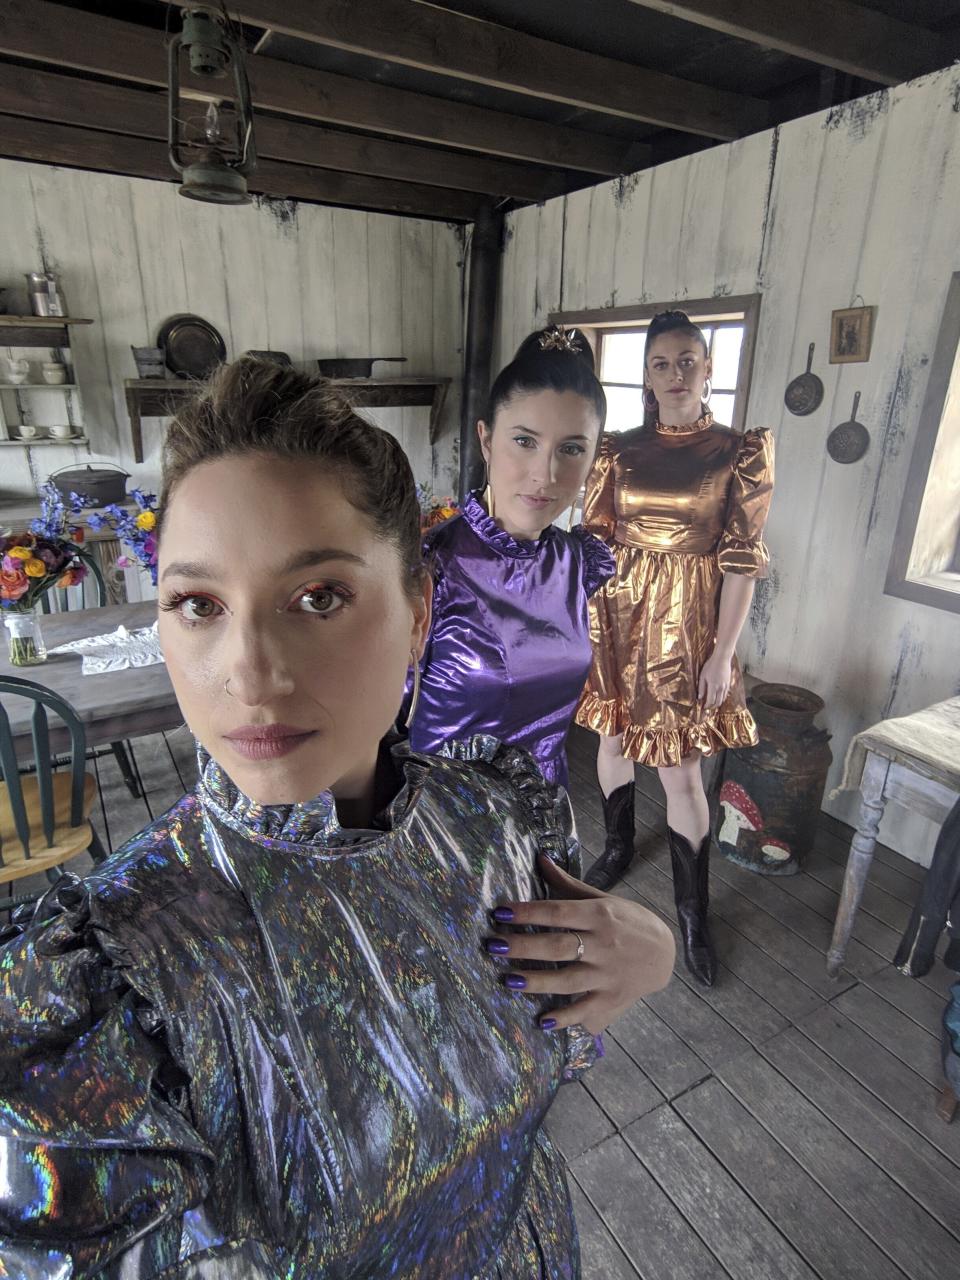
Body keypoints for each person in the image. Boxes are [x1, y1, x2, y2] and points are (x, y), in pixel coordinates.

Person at [0, 358, 674, 1279]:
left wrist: (650, 954)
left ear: (418, 611)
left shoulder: (496, 821)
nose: (248, 668)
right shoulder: (124, 974)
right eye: (198, 604)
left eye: (318, 596)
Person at [576, 310, 775, 987]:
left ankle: (693, 912)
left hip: (687, 625)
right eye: (662, 363)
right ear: (648, 374)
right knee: (611, 739)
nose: (676, 373)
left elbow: (742, 561)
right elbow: (595, 539)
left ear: (709, 367)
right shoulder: (617, 449)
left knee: (683, 769)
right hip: (618, 614)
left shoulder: (737, 451)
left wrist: (722, 653)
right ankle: (618, 845)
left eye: (688, 359)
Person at [408, 325, 614, 789]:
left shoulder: (579, 564)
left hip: (543, 818)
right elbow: (381, 722)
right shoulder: (431, 564)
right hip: (444, 825)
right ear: (486, 440)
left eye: (572, 449)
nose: (546, 473)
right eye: (525, 441)